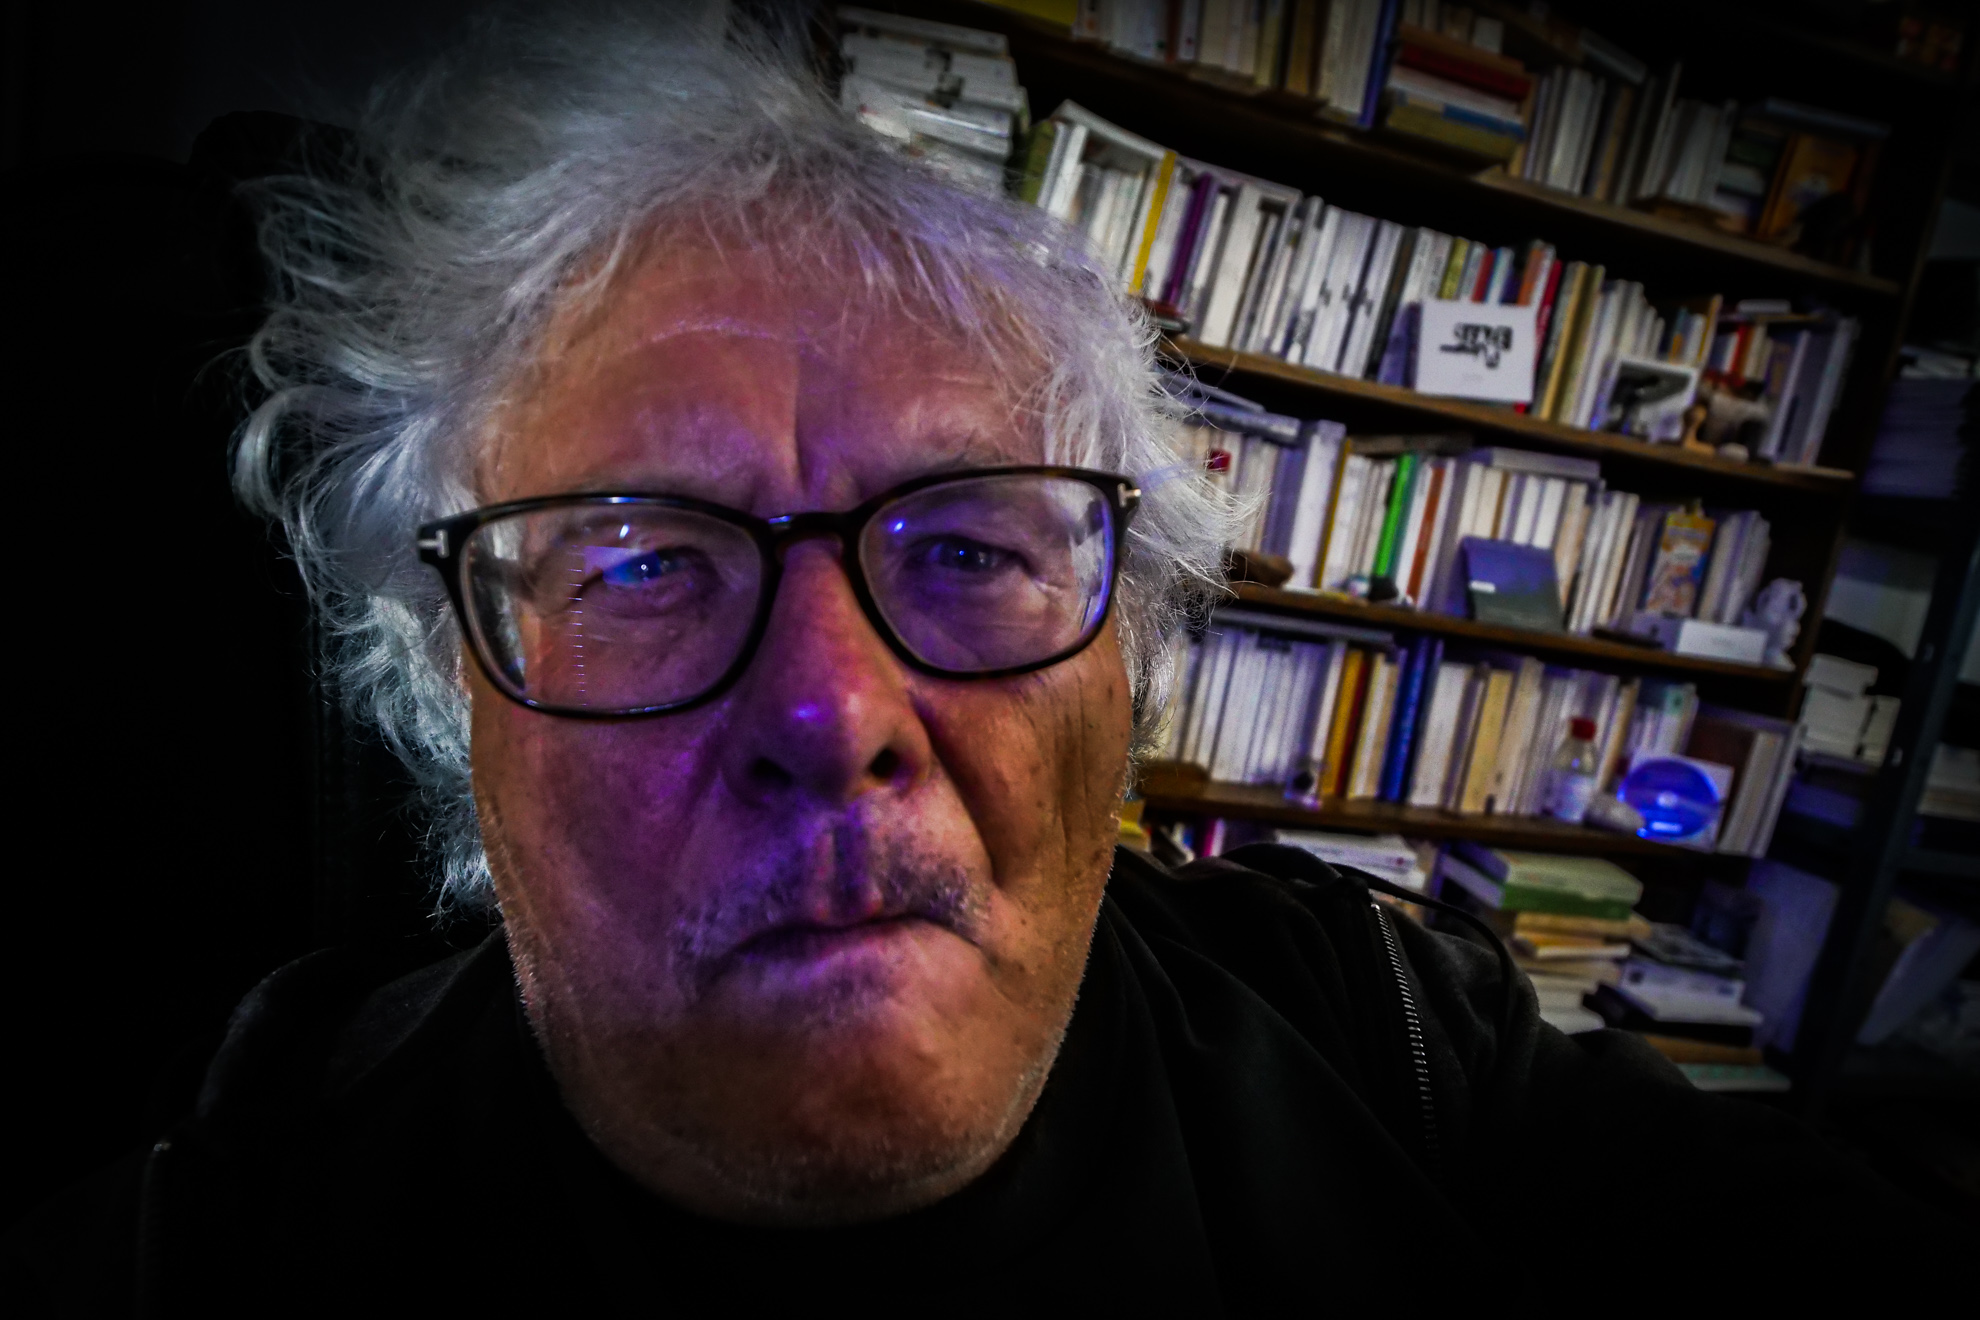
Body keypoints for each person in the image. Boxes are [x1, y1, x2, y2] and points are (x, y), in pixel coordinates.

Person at [5, 7, 1946, 1312]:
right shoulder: (219, 1226)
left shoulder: (1394, 1046)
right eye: (644, 562)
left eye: (966, 550)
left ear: (1131, 657)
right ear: (455, 685)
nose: (834, 713)